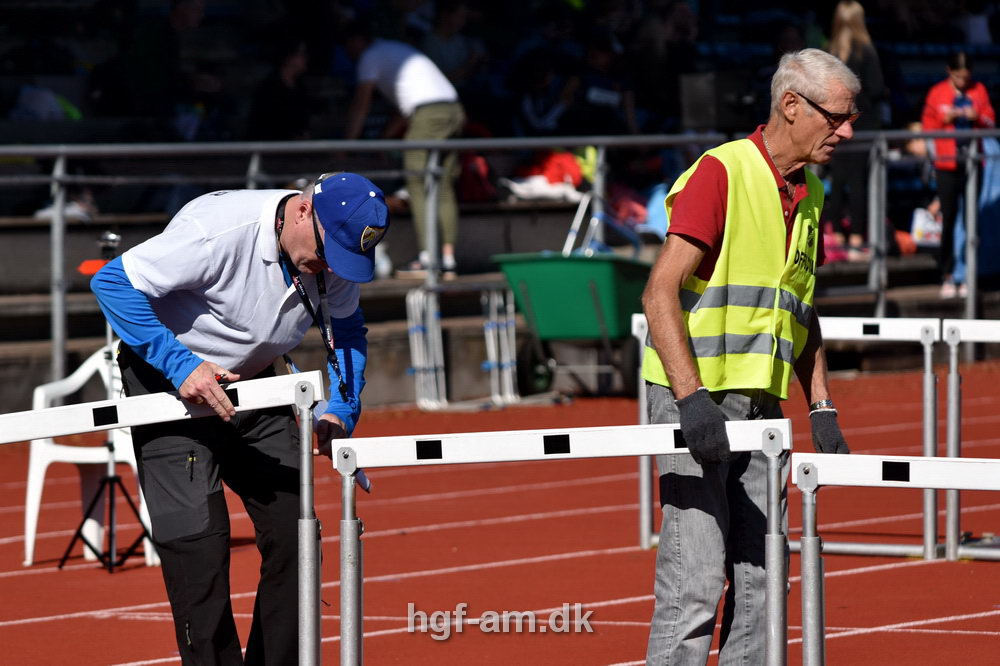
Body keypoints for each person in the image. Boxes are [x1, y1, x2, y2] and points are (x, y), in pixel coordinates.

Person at [90, 172, 389, 664]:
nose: (327, 269)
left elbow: (349, 329)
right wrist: (182, 365)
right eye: (326, 254)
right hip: (171, 385)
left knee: (299, 528)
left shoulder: (326, 252)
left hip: (254, 385)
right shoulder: (217, 231)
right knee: (199, 549)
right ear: (301, 212)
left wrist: (341, 406)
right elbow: (112, 281)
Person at [641, 48, 854, 664]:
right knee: (695, 583)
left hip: (763, 408)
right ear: (792, 105)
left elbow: (799, 306)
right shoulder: (723, 172)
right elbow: (660, 294)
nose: (847, 131)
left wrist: (821, 405)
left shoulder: (810, 190)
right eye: (837, 117)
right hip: (698, 398)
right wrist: (690, 400)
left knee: (763, 587)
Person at [342, 22, 465, 278]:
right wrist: (386, 138)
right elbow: (406, 107)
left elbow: (360, 104)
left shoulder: (370, 56)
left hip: (430, 114)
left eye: (348, 46)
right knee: (441, 187)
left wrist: (346, 146)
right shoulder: (392, 49)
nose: (348, 53)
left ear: (358, 41)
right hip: (453, 110)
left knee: (417, 185)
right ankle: (449, 261)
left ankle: (428, 259)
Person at [921, 50, 995, 298]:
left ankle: (970, 273)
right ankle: (948, 273)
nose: (963, 82)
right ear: (949, 73)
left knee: (972, 220)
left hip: (973, 164)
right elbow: (927, 127)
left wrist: (977, 117)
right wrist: (946, 119)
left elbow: (990, 121)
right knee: (950, 218)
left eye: (966, 77)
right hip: (946, 164)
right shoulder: (938, 93)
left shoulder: (979, 90)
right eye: (958, 77)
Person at [825, 0, 885, 261]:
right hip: (862, 123)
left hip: (835, 122)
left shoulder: (829, 51)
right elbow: (876, 87)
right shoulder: (866, 50)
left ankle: (836, 236)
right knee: (859, 181)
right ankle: (858, 238)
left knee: (838, 180)